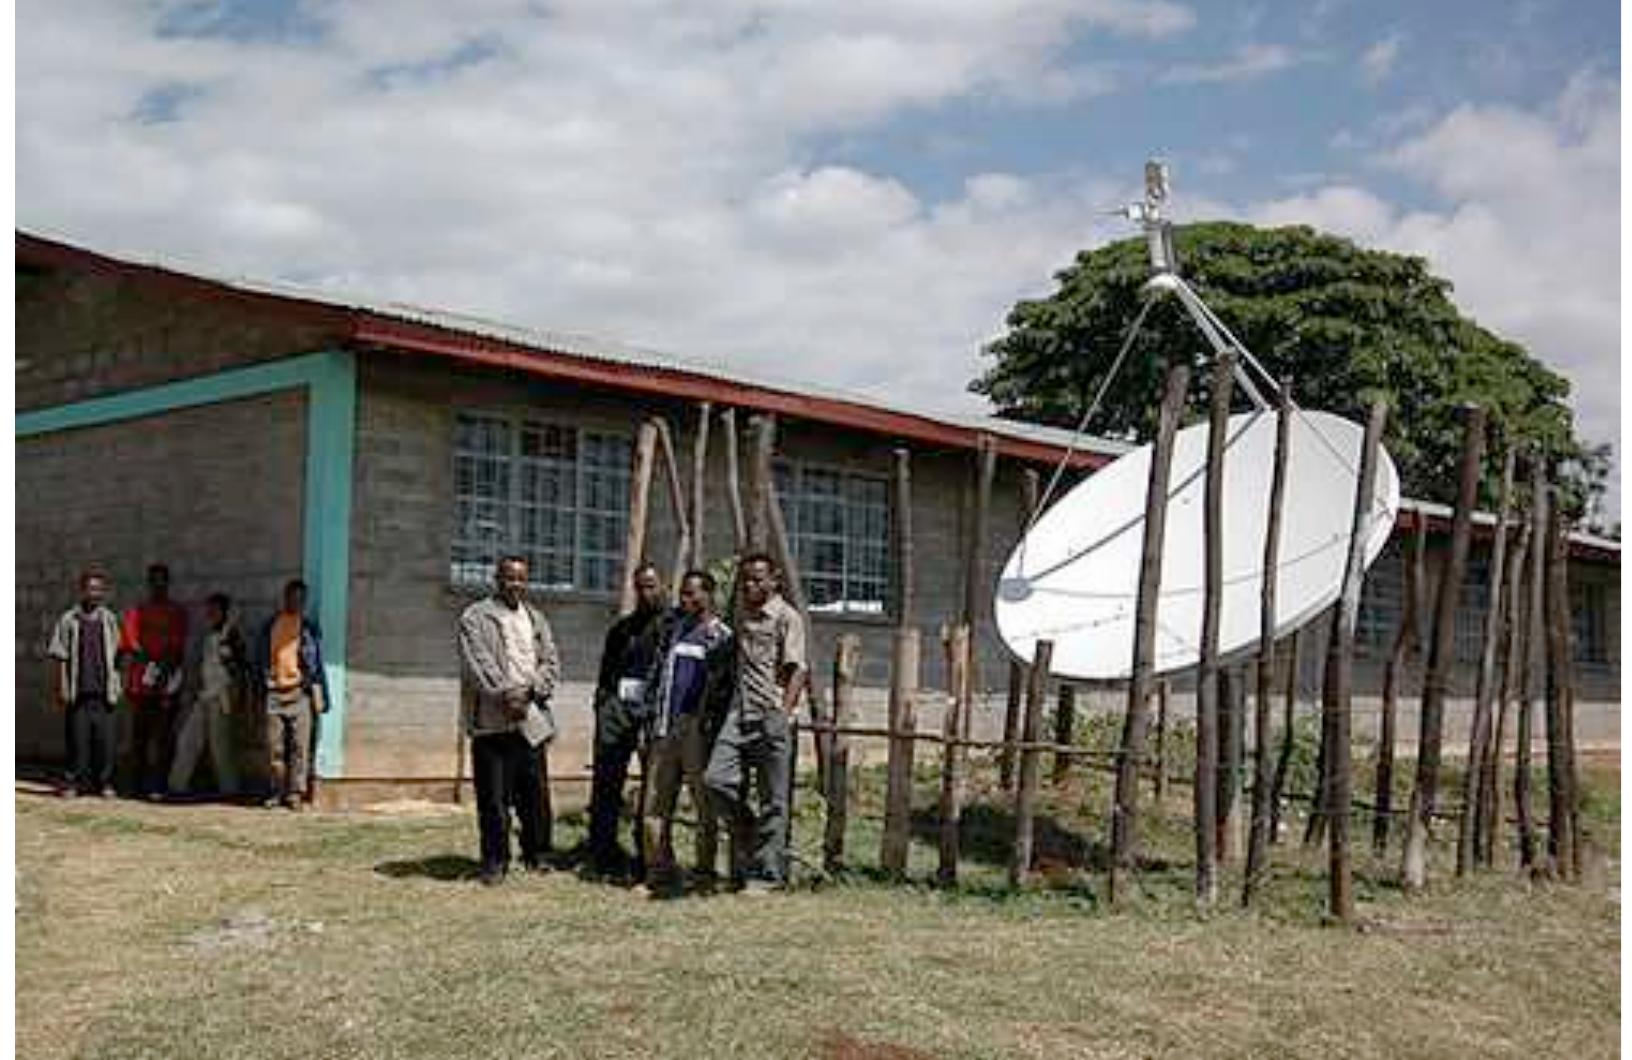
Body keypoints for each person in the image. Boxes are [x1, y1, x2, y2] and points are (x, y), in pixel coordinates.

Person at [705, 553, 806, 893]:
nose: (751, 585)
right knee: (715, 779)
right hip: (738, 714)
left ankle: (767, 875)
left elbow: (797, 669)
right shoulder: (743, 616)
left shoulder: (786, 617)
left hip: (769, 714)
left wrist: (783, 713)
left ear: (775, 580)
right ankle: (747, 829)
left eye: (758, 579)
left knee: (774, 801)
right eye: (746, 579)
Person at [457, 555, 561, 885]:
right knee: (494, 797)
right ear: (497, 579)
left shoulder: (535, 617)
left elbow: (550, 661)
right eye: (509, 578)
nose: (515, 584)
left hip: (530, 715)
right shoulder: (475, 617)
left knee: (535, 794)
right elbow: (478, 663)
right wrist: (506, 695)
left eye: (521, 579)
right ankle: (495, 861)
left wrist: (531, 691)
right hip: (492, 720)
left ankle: (537, 853)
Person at [639, 569, 733, 896]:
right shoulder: (673, 630)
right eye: (683, 594)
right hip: (664, 728)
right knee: (654, 802)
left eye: (693, 594)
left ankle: (705, 873)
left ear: (709, 595)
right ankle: (659, 871)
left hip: (697, 732)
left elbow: (722, 690)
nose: (686, 600)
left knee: (703, 805)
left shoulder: (720, 636)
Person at [585, 561, 667, 879]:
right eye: (640, 587)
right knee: (607, 781)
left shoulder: (671, 627)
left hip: (652, 713)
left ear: (663, 587)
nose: (645, 593)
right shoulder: (622, 629)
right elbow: (606, 672)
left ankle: (647, 855)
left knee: (653, 786)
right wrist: (604, 704)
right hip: (618, 710)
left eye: (651, 585)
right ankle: (602, 852)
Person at [253, 579, 328, 811]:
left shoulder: (308, 628)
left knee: (299, 747)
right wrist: (260, 688)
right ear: (284, 598)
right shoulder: (271, 626)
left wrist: (319, 692)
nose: (296, 603)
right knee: (274, 747)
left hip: (299, 693)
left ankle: (295, 793)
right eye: (292, 597)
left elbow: (317, 664)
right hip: (274, 693)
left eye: (300, 599)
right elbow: (260, 659)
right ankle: (275, 791)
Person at [47, 570, 123, 797]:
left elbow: (118, 653)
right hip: (78, 690)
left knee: (105, 742)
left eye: (99, 589)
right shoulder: (69, 619)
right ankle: (73, 783)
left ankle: (105, 783)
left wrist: (118, 682)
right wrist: (62, 684)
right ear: (82, 590)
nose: (95, 593)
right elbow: (60, 654)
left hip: (104, 690)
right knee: (77, 742)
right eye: (91, 589)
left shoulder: (109, 619)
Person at [168, 592, 248, 799]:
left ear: (224, 612)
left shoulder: (231, 636)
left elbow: (240, 667)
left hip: (221, 696)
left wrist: (228, 655)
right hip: (204, 695)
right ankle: (177, 786)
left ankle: (230, 789)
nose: (210, 613)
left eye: (215, 610)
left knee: (220, 746)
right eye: (208, 610)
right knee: (188, 740)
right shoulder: (209, 634)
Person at [119, 563, 189, 798]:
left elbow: (178, 645)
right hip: (142, 681)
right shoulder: (137, 610)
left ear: (168, 583)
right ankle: (136, 783)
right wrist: (148, 661)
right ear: (148, 583)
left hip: (167, 681)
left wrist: (164, 669)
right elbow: (131, 641)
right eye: (154, 580)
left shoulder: (177, 611)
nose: (158, 585)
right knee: (140, 735)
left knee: (164, 737)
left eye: (162, 580)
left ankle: (159, 783)